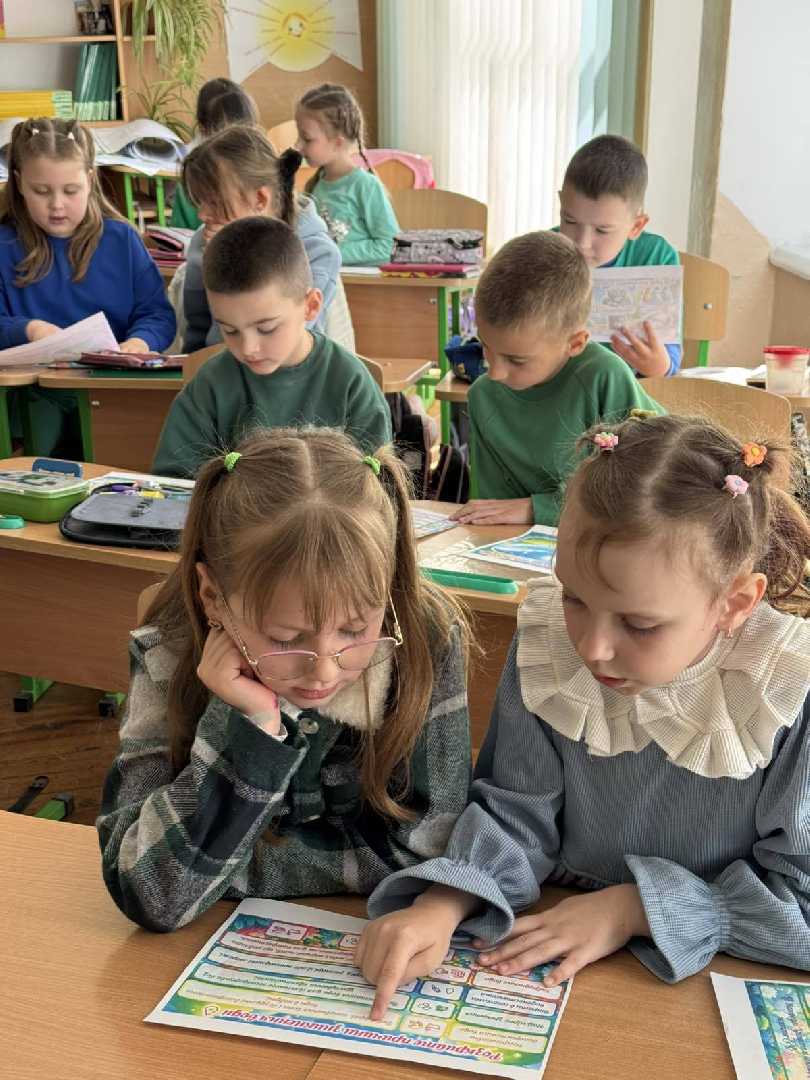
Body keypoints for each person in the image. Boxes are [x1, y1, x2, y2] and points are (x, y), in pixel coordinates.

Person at [358, 413, 810, 1017]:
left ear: (736, 602)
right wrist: (444, 902)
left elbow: (801, 904)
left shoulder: (782, 687)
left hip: (693, 974)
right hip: (553, 940)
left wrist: (634, 908)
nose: (592, 648)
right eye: (574, 597)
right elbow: (517, 811)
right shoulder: (552, 647)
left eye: (640, 624)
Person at [98, 428, 472, 932]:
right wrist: (249, 726)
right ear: (213, 598)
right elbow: (148, 891)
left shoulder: (425, 637)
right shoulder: (167, 652)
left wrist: (223, 871)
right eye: (285, 637)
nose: (324, 670)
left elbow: (425, 852)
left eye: (354, 630)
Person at [450, 230, 663, 527]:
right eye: (485, 346)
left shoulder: (604, 377)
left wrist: (538, 509)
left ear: (574, 344)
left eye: (516, 360)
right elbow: (493, 509)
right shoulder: (483, 396)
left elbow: (648, 487)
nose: (494, 372)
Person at [153, 216, 390, 477]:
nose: (248, 348)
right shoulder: (210, 385)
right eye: (229, 330)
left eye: (266, 328)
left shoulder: (350, 382)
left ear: (310, 306)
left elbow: (379, 486)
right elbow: (173, 482)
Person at [0, 117, 175, 455]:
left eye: (71, 191)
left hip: (111, 391)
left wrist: (137, 344)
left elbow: (157, 314)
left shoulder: (121, 240)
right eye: (41, 191)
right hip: (31, 398)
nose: (57, 205)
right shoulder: (4, 245)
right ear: (19, 183)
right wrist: (32, 329)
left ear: (91, 181)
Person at [180, 125, 340, 349]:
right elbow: (197, 334)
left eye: (214, 202)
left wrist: (233, 259)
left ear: (260, 199)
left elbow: (285, 342)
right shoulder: (203, 241)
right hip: (218, 366)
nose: (202, 214)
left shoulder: (317, 251)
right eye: (199, 202)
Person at [558, 134, 681, 377]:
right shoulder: (545, 249)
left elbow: (668, 363)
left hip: (630, 390)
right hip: (560, 388)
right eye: (569, 220)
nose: (582, 243)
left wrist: (657, 366)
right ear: (561, 202)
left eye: (602, 230)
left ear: (636, 226)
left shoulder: (657, 257)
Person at [296, 83, 399, 266]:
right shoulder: (315, 185)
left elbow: (390, 246)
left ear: (338, 142)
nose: (298, 145)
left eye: (307, 139)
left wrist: (329, 253)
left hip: (358, 282)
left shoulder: (366, 186)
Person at [170, 77, 260, 231]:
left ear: (203, 129)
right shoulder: (190, 183)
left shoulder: (263, 178)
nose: (203, 215)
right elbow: (178, 238)